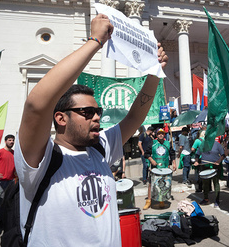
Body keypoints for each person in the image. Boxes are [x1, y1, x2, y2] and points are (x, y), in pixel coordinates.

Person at [16, 14, 168, 246]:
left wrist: (155, 73)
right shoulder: (40, 159)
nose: (97, 117)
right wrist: (95, 42)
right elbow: (36, 106)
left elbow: (135, 116)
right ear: (60, 118)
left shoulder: (100, 148)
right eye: (87, 112)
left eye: (98, 110)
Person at [143, 128, 176, 210]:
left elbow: (172, 154)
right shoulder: (152, 143)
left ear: (164, 135)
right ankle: (149, 201)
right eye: (159, 134)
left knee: (163, 184)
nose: (160, 135)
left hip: (165, 167)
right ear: (156, 135)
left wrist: (174, 163)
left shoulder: (168, 143)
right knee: (151, 184)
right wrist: (151, 160)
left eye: (162, 133)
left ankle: (162, 200)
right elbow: (146, 154)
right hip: (155, 167)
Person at [194, 138, 225, 207]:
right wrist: (196, 161)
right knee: (205, 184)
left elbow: (223, 155)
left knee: (216, 183)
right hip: (204, 166)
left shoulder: (217, 144)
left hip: (215, 167)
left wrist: (219, 161)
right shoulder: (203, 144)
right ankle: (206, 199)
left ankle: (217, 200)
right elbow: (197, 154)